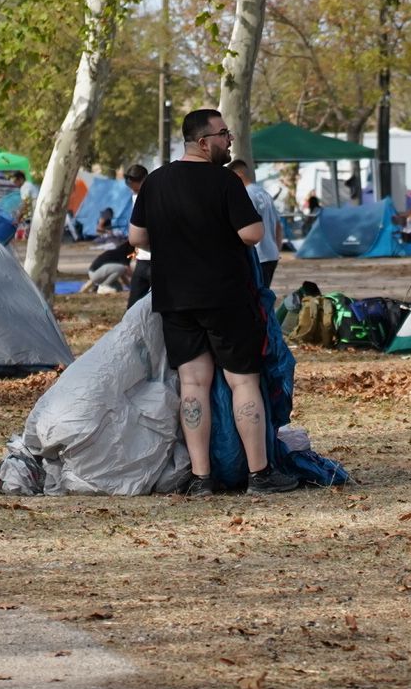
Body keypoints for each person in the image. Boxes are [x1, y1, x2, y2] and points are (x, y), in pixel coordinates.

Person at [128, 109, 298, 496]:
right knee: (243, 382)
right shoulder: (224, 181)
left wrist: (176, 242)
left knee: (193, 384)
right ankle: (260, 474)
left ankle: (201, 478)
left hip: (175, 297)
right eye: (224, 134)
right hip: (226, 298)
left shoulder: (155, 182)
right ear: (204, 142)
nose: (230, 139)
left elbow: (137, 237)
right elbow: (253, 234)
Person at [231, 158, 282, 287]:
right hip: (271, 254)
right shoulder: (264, 193)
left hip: (258, 256)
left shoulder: (246, 194)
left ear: (238, 176)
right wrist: (277, 249)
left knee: (257, 299)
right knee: (264, 295)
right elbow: (277, 225)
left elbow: (247, 227)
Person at [123, 164, 152, 308]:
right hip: (142, 259)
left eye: (134, 183)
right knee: (133, 306)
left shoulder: (155, 195)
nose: (132, 188)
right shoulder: (135, 197)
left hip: (156, 261)